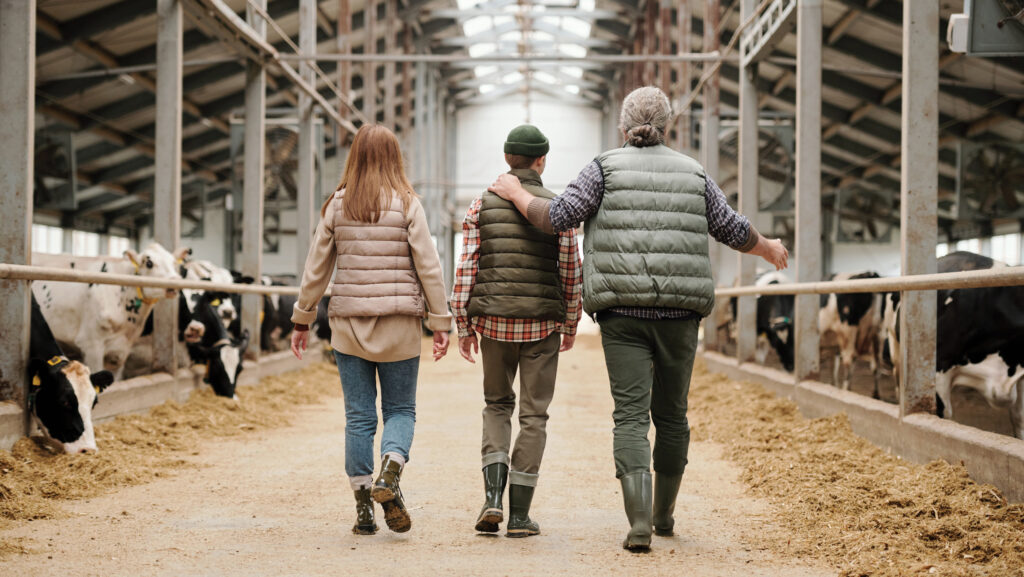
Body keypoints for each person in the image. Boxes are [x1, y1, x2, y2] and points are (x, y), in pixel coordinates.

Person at [488, 86, 788, 551]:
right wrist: (767, 246)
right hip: (681, 315)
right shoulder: (694, 172)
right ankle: (665, 516)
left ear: (624, 128)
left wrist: (513, 191)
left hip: (622, 312)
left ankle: (639, 522)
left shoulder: (603, 167)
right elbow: (729, 226)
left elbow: (560, 217)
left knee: (629, 416)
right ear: (666, 126)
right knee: (672, 416)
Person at [290, 124, 452, 536]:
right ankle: (390, 474)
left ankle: (364, 511)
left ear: (354, 157)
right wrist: (440, 322)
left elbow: (316, 268)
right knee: (400, 411)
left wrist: (302, 319)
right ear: (395, 158)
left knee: (359, 419)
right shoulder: (408, 203)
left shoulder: (337, 205)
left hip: (348, 328)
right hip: (399, 324)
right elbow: (429, 267)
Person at [450, 125, 583, 538]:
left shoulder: (480, 205)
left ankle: (492, 499)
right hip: (542, 324)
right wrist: (571, 320)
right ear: (541, 160)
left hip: (493, 323)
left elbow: (466, 267)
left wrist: (462, 322)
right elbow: (571, 270)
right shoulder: (556, 209)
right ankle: (520, 515)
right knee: (534, 415)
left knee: (496, 405)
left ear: (508, 158)